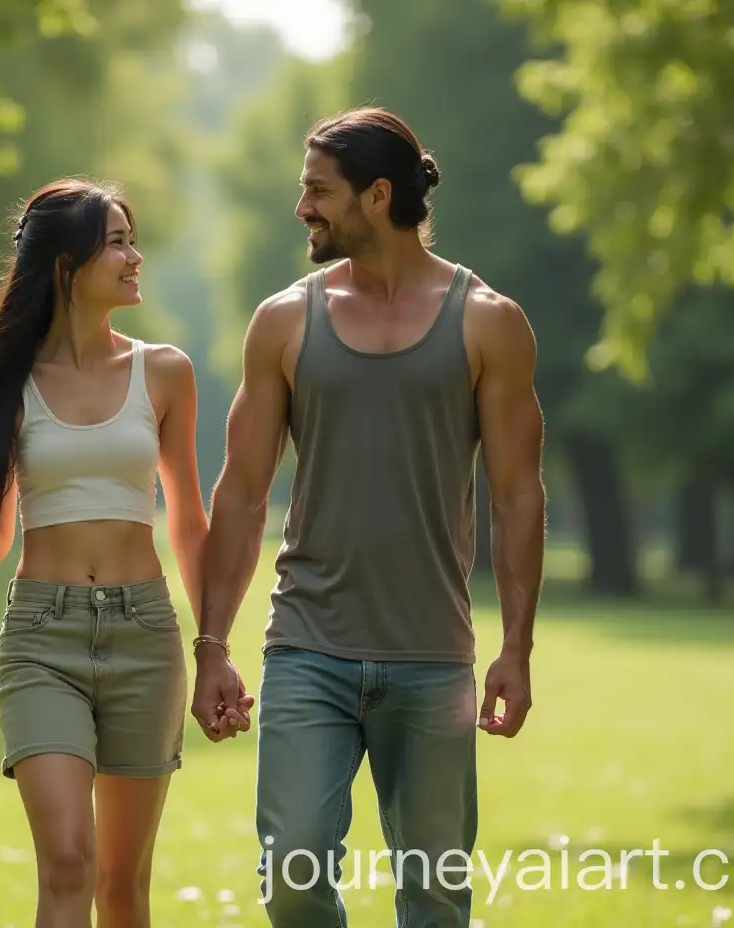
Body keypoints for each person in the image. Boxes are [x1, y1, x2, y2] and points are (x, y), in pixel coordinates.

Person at [0, 177, 251, 928]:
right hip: (44, 640)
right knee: (69, 861)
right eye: (118, 242)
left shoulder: (165, 372)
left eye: (134, 240)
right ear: (67, 265)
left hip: (144, 636)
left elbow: (189, 524)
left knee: (124, 889)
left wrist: (213, 648)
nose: (136, 257)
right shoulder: (9, 385)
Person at [190, 107, 547, 927]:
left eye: (318, 190)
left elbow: (517, 495)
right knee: (293, 876)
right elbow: (241, 494)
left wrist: (517, 649)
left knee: (435, 899)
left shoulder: (489, 321)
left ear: (378, 196)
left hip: (431, 658)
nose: (303, 206)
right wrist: (212, 646)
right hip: (307, 647)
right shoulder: (284, 321)